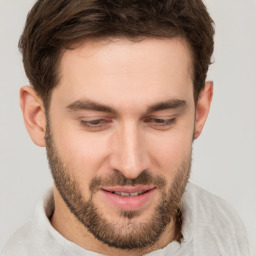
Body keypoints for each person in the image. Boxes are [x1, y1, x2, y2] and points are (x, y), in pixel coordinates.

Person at [1, 0, 250, 255]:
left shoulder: (225, 226)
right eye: (94, 122)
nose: (131, 165)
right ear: (36, 118)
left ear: (200, 112)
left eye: (161, 120)